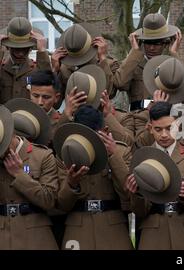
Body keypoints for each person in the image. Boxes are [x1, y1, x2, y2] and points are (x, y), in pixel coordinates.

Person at [125, 101, 184, 249]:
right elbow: (139, 211)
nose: (164, 135)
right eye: (158, 129)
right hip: (153, 233)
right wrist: (135, 194)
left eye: (170, 128)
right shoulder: (141, 159)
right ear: (150, 128)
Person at [55, 105, 133, 250]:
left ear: (105, 131)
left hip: (113, 227)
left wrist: (113, 156)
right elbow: (62, 204)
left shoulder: (121, 151)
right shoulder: (65, 154)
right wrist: (71, 183)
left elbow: (130, 193)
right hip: (77, 227)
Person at [0, 105, 59, 250]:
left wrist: (20, 175)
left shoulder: (42, 156)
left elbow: (49, 200)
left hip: (36, 235)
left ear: (11, 134)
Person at [114, 13, 182, 111]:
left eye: (157, 43)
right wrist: (134, 52)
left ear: (165, 43)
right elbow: (120, 83)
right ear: (141, 42)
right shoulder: (133, 63)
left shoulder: (172, 65)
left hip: (166, 118)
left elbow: (183, 86)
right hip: (138, 119)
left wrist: (174, 53)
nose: (151, 48)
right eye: (148, 42)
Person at [0, 17, 51, 104]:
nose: (20, 53)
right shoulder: (2, 68)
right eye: (16, 49)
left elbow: (48, 85)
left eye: (25, 49)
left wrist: (42, 51)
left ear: (31, 48)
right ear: (7, 47)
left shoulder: (37, 69)